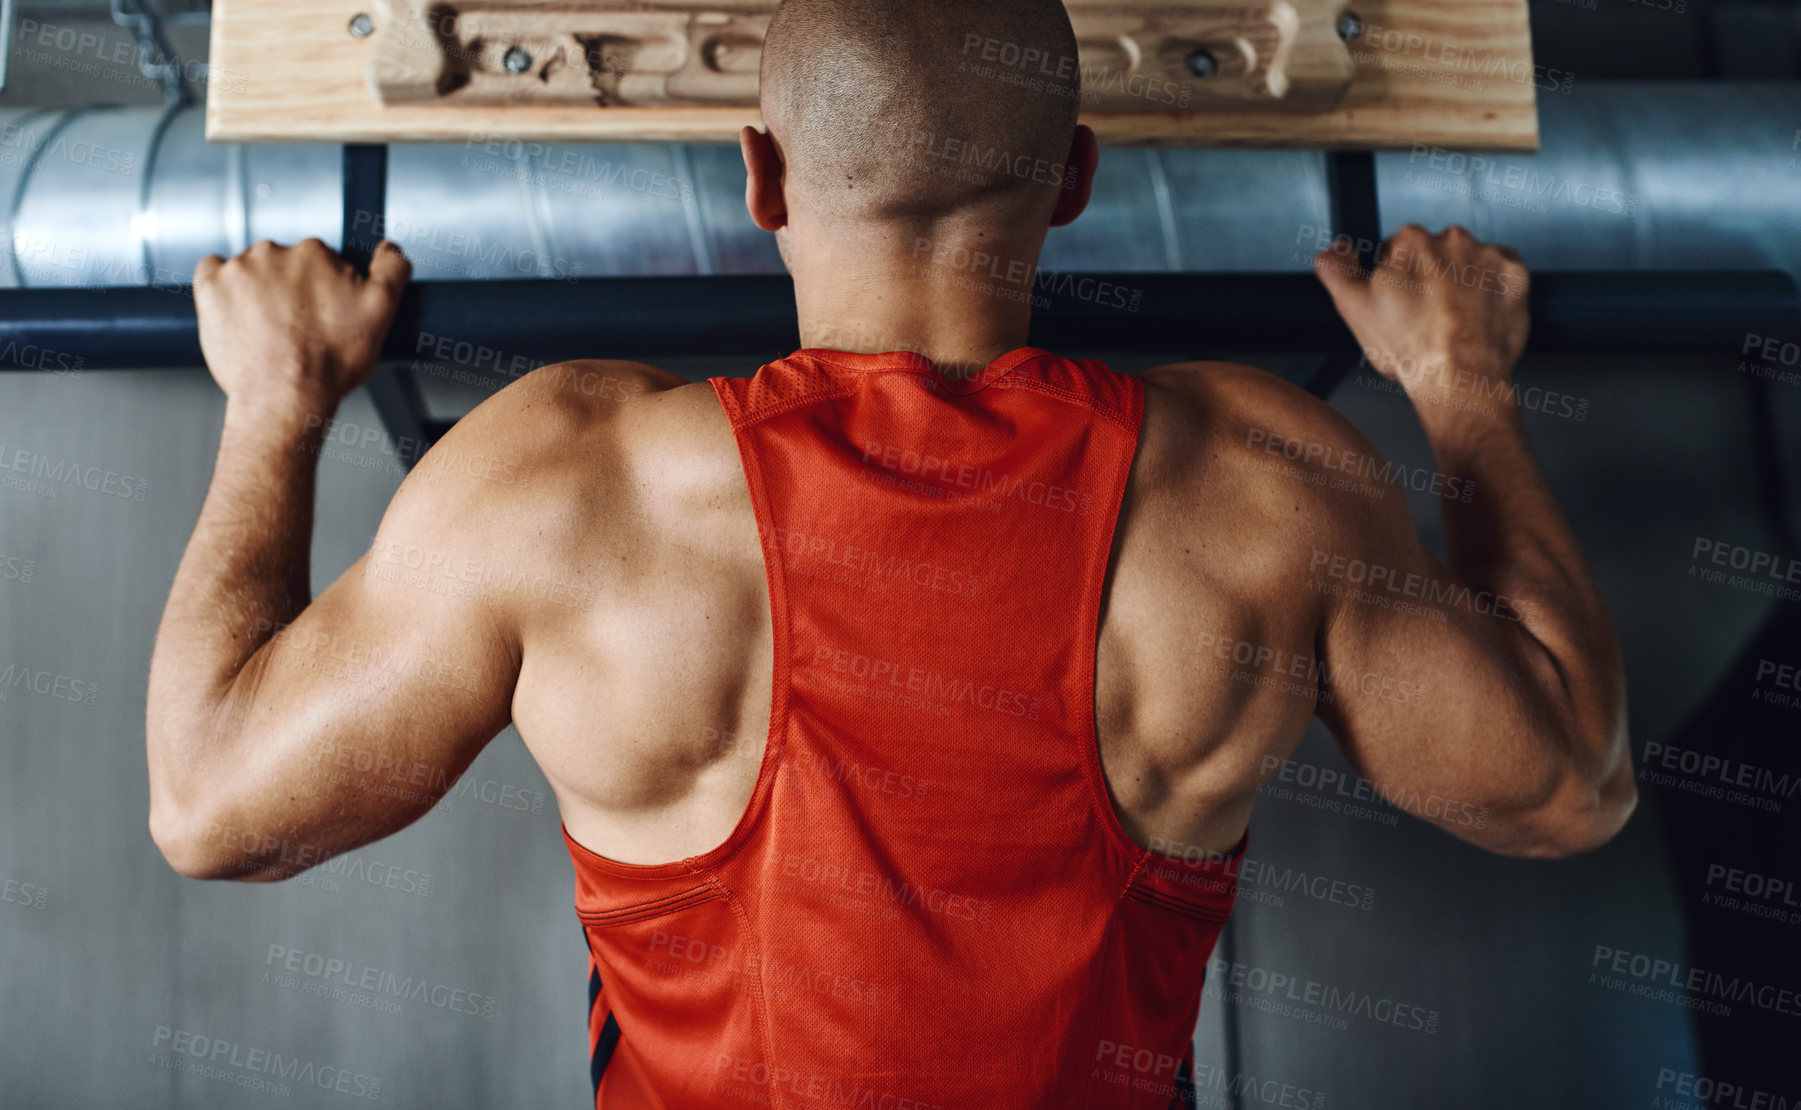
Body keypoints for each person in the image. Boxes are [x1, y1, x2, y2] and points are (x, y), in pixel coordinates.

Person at [146, 0, 1635, 1104]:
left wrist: (277, 407)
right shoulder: (1266, 482)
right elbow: (1566, 784)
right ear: (1074, 179)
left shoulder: (562, 484)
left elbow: (211, 807)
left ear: (761, 180)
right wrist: (1462, 394)